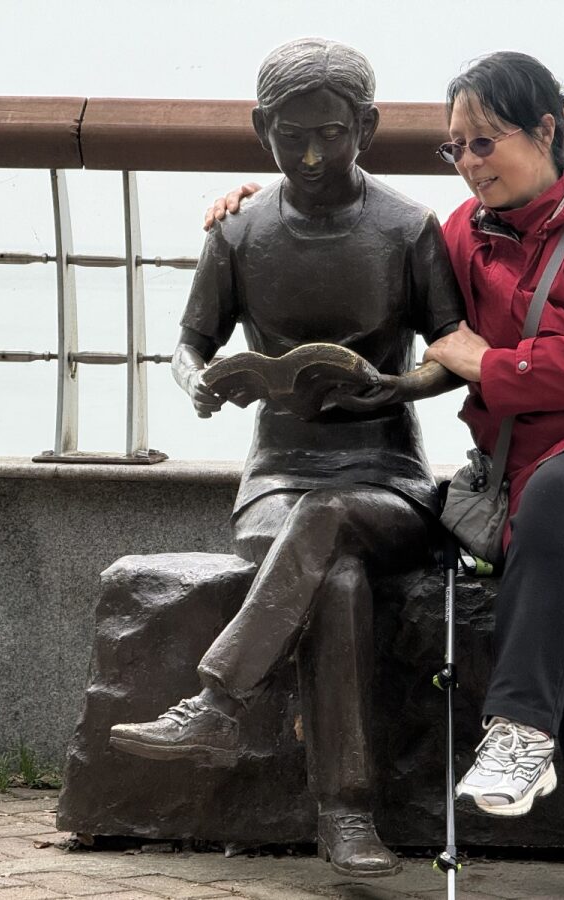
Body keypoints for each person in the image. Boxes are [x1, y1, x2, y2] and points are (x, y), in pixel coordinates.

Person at [207, 50, 564, 900]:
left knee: (563, 489)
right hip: (555, 504)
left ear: (548, 132)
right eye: (454, 148)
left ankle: (520, 729)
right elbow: (362, 231)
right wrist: (243, 207)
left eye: (484, 143)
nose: (469, 164)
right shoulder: (460, 236)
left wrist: (496, 367)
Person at [107, 38, 465, 879]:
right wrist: (199, 383)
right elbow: (190, 342)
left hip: (388, 482)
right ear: (261, 126)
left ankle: (220, 700)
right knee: (332, 576)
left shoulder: (409, 228)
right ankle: (346, 818)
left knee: (333, 521)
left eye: (332, 134)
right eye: (291, 135)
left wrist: (395, 388)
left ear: (366, 128)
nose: (311, 155)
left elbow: (453, 352)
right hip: (278, 477)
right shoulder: (239, 233)